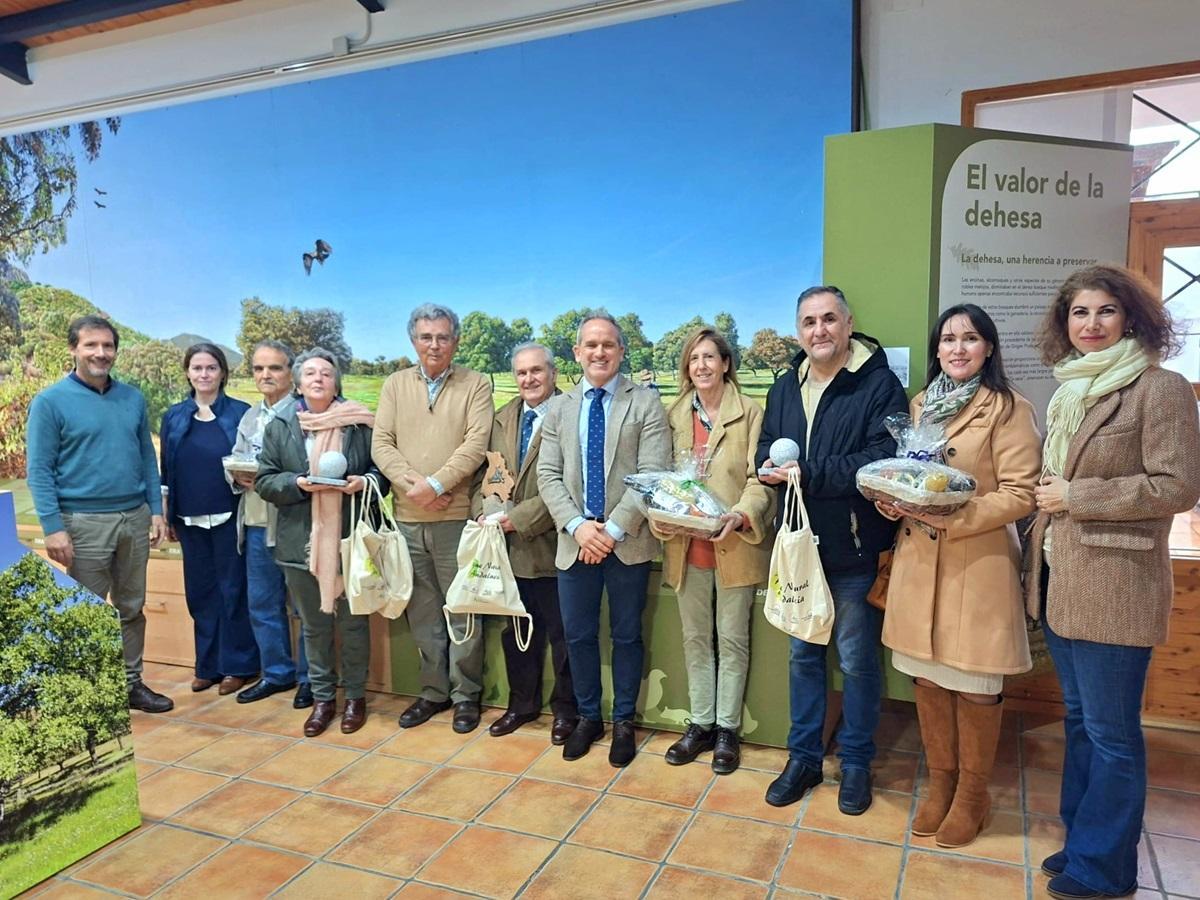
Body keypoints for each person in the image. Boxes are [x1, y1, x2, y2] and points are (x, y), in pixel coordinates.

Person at [1026, 265, 1200, 900]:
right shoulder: (1069, 391)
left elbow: (1177, 487)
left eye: (1104, 312)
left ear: (1130, 317)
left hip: (1117, 585)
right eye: (1079, 313)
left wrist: (1078, 495)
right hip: (1060, 579)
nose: (1091, 325)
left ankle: (1106, 868)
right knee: (1079, 721)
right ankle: (1083, 842)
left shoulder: (1161, 388)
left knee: (1112, 734)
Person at [876, 304, 1040, 847]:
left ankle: (972, 794)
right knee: (925, 676)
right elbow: (909, 474)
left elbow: (1020, 493)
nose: (958, 348)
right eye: (948, 339)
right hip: (919, 563)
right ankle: (940, 783)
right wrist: (893, 502)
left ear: (989, 348)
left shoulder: (1009, 408)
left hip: (978, 561)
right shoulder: (921, 404)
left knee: (973, 682)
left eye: (970, 338)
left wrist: (952, 516)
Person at [756, 285, 907, 813]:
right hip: (798, 548)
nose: (818, 331)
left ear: (848, 324)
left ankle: (857, 761)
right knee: (803, 657)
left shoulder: (879, 384)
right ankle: (803, 758)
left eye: (828, 320)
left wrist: (810, 472)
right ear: (799, 331)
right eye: (808, 322)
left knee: (859, 661)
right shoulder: (782, 387)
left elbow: (880, 460)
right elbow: (766, 445)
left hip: (854, 550)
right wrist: (767, 469)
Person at [538, 311, 671, 767]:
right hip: (576, 540)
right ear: (577, 353)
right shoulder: (560, 407)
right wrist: (578, 527)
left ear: (620, 351)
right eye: (590, 345)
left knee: (627, 636)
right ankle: (589, 718)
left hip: (626, 541)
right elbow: (548, 475)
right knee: (578, 636)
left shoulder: (646, 403)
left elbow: (652, 473)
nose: (599, 352)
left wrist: (611, 531)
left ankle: (624, 723)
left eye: (608, 345)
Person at [26, 315, 174, 713]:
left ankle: (130, 684)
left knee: (131, 606)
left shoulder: (132, 399)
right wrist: (53, 528)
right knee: (87, 610)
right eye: (91, 345)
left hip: (134, 517)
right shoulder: (50, 403)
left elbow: (146, 457)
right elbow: (39, 470)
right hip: (82, 524)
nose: (100, 353)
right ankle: (87, 695)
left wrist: (156, 512)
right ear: (74, 348)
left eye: (107, 346)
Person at [654, 327, 774, 775]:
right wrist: (660, 514)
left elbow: (758, 480)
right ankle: (701, 723)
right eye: (693, 359)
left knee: (733, 639)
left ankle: (727, 729)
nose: (701, 366)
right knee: (695, 639)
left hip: (734, 544)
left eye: (710, 357)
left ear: (726, 362)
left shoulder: (751, 413)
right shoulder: (673, 415)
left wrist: (740, 516)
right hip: (687, 548)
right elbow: (662, 479)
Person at [371, 304, 493, 733]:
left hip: (456, 519)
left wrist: (437, 486)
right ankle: (433, 692)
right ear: (413, 341)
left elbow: (476, 444)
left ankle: (465, 696)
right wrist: (414, 488)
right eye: (426, 337)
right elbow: (381, 443)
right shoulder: (394, 385)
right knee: (422, 612)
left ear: (455, 341)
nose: (435, 344)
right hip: (407, 518)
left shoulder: (476, 385)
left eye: (443, 337)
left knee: (462, 610)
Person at [256, 348, 385, 736]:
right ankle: (323, 699)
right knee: (313, 627)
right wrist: (296, 483)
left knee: (353, 625)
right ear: (297, 383)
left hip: (351, 541)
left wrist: (364, 482)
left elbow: (383, 472)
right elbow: (265, 480)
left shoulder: (360, 424)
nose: (318, 379)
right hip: (301, 545)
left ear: (336, 382)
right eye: (310, 373)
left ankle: (356, 698)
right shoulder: (282, 425)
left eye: (326, 374)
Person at [470, 342, 577, 745]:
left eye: (537, 371)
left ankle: (566, 711)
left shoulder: (572, 413)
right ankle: (522, 705)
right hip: (510, 553)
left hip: (556, 546)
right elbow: (492, 473)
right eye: (521, 373)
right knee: (517, 633)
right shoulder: (502, 418)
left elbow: (570, 486)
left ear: (552, 373)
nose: (529, 379)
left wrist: (516, 520)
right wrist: (487, 510)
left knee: (563, 637)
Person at [160, 343, 259, 695]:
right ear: (188, 372)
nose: (204, 374)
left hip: (230, 516)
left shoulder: (241, 413)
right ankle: (208, 666)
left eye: (211, 368)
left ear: (222, 373)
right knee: (200, 594)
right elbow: (166, 470)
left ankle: (238, 666)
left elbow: (253, 462)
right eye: (197, 368)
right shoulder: (173, 416)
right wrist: (167, 513)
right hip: (188, 518)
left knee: (234, 591)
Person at [227, 340, 312, 708]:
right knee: (262, 604)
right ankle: (276, 674)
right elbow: (237, 461)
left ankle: (312, 678)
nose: (266, 375)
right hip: (257, 523)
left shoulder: (305, 415)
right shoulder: (248, 417)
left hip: (294, 524)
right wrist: (238, 478)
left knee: (306, 607)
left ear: (290, 373)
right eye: (259, 368)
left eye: (274, 368)